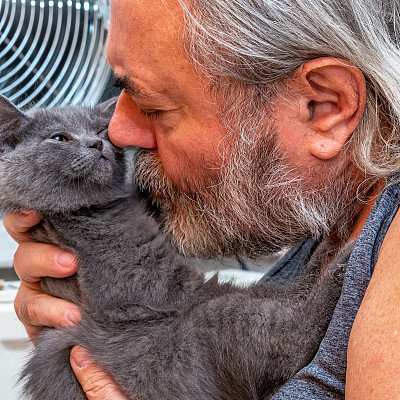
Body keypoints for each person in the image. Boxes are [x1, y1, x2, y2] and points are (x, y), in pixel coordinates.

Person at [4, 0, 400, 398]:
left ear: (323, 106)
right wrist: (92, 328)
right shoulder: (322, 212)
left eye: (153, 107)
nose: (116, 132)